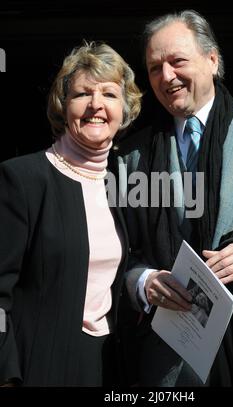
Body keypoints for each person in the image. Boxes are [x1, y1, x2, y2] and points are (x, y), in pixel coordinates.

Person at [114, 9, 233, 386]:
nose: (166, 77)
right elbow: (116, 252)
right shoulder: (131, 157)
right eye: (154, 68)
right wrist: (143, 280)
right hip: (170, 357)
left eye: (177, 61)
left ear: (212, 60)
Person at [0, 41, 142, 386]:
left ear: (125, 109)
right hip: (39, 368)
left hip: (110, 367)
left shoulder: (125, 185)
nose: (96, 105)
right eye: (82, 94)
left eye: (109, 94)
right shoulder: (23, 178)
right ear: (64, 107)